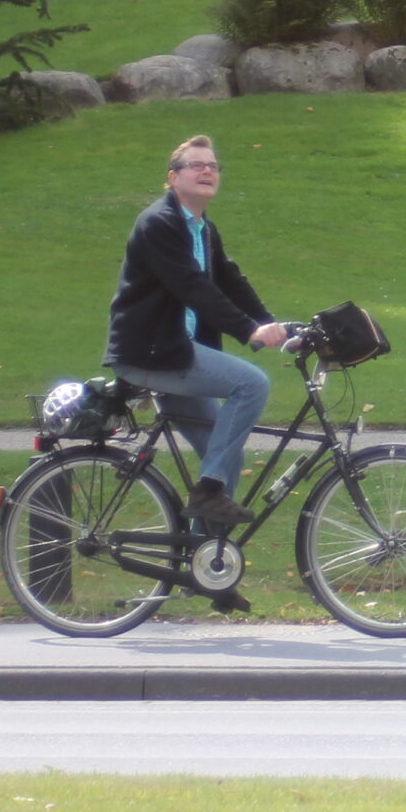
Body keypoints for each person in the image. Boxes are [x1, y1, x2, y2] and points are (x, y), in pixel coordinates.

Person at [104, 135, 291, 606]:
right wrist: (249, 331)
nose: (207, 171)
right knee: (251, 383)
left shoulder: (202, 228)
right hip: (153, 354)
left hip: (176, 353)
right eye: (195, 165)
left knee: (225, 458)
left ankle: (210, 573)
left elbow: (230, 280)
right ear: (173, 178)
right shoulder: (159, 224)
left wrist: (272, 325)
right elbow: (193, 288)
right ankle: (206, 493)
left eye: (213, 165)